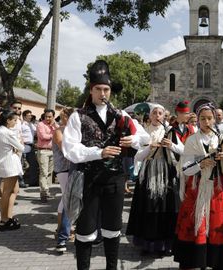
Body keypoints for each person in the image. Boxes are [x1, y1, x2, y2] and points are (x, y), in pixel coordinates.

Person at [62, 60, 149, 270]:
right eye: (98, 89)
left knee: (112, 228)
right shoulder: (78, 116)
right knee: (85, 230)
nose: (103, 93)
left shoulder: (121, 114)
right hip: (88, 180)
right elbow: (70, 150)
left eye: (106, 89)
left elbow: (145, 137)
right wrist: (98, 153)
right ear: (91, 90)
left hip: (115, 180)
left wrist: (133, 141)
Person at [173, 103, 223, 269]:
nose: (206, 122)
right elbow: (185, 168)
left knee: (217, 225)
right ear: (198, 120)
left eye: (209, 118)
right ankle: (199, 262)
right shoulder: (192, 140)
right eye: (202, 118)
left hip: (218, 190)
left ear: (214, 119)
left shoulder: (222, 138)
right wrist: (200, 164)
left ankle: (217, 262)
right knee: (197, 224)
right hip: (197, 189)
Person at [126, 104, 184, 256]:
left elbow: (183, 150)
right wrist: (149, 148)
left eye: (160, 113)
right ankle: (147, 244)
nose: (157, 115)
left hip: (166, 174)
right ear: (150, 116)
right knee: (148, 208)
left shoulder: (170, 132)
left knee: (165, 208)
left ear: (164, 116)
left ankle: (164, 245)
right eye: (154, 113)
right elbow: (137, 156)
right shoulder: (143, 132)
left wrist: (171, 145)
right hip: (148, 173)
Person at [0, 110, 25, 231]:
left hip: (4, 162)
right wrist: (20, 141)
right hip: (10, 164)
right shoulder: (8, 132)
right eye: (14, 120)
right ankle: (4, 220)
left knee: (14, 190)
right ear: (8, 120)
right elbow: (21, 147)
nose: (16, 122)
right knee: (7, 192)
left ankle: (8, 217)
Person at [53, 107, 75, 253]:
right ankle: (62, 233)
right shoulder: (59, 130)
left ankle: (62, 231)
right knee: (67, 200)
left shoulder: (73, 130)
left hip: (73, 167)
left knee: (65, 200)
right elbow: (64, 149)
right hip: (64, 167)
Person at [37, 109, 58, 202]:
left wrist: (54, 126)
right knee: (44, 173)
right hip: (43, 151)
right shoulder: (41, 124)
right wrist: (53, 134)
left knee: (50, 173)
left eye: (50, 116)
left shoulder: (55, 125)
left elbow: (60, 132)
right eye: (46, 116)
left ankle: (47, 191)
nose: (48, 118)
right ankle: (43, 193)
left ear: (53, 117)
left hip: (53, 151)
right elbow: (43, 137)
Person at [21, 110, 38, 187]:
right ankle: (20, 181)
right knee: (21, 164)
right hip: (23, 145)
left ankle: (33, 181)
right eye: (29, 115)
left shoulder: (31, 125)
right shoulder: (21, 124)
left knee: (33, 164)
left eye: (31, 115)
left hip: (31, 146)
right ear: (24, 116)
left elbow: (36, 132)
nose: (30, 117)